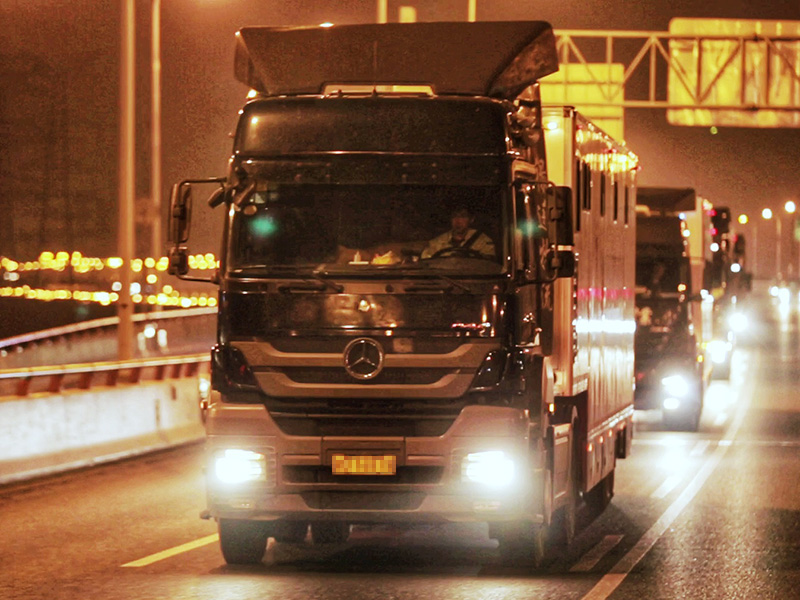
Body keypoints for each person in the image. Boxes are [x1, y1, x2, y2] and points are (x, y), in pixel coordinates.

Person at [421, 207, 496, 259]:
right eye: (454, 216)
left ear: (471, 219)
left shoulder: (483, 242)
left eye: (463, 217)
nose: (458, 221)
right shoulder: (437, 243)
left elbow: (489, 266)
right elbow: (426, 263)